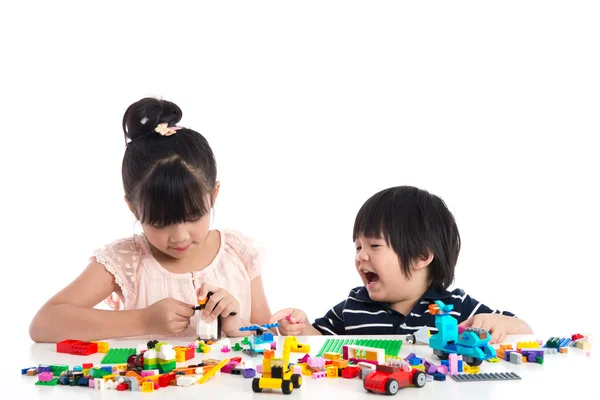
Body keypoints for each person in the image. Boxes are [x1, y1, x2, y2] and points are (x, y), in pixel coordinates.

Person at [29, 97, 272, 342]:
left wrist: (235, 324)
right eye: (160, 222)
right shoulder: (128, 261)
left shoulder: (237, 253)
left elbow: (270, 336)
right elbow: (44, 324)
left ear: (213, 196)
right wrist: (144, 319)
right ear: (134, 209)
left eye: (193, 216)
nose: (180, 236)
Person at [270, 186, 533, 344]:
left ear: (421, 256)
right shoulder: (353, 307)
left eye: (374, 246)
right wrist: (299, 327)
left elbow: (525, 331)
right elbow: (319, 342)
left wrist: (492, 322)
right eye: (358, 246)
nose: (361, 256)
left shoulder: (456, 307)